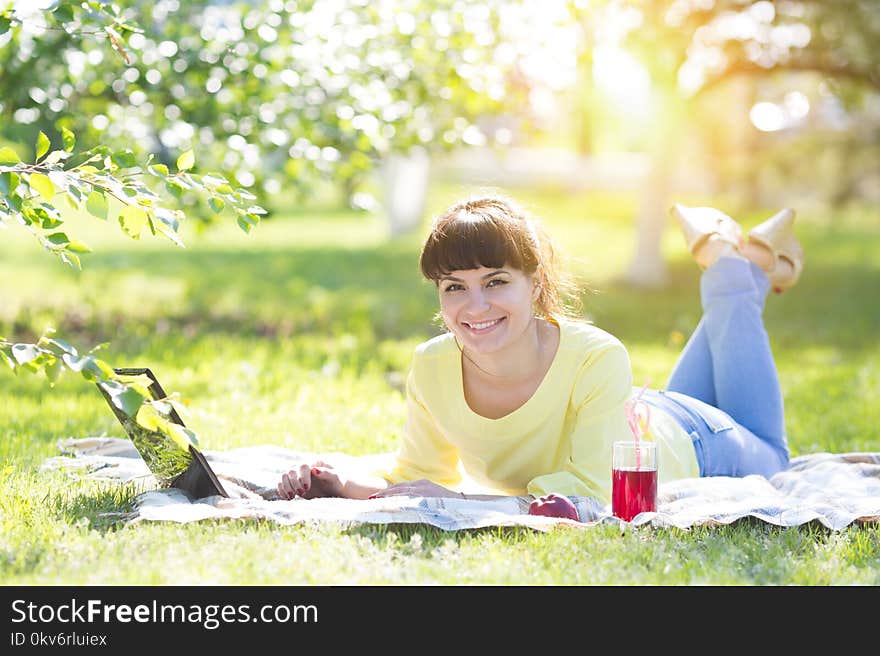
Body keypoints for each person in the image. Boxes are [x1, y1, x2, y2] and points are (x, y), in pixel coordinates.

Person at [276, 195, 804, 506]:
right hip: (637, 417)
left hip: (700, 443)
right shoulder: (431, 365)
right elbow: (420, 479)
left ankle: (729, 257)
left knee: (775, 455)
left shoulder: (597, 355)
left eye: (496, 281)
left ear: (535, 282)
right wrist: (343, 484)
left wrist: (462, 503)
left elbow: (595, 495)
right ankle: (753, 264)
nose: (475, 306)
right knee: (729, 310)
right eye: (454, 287)